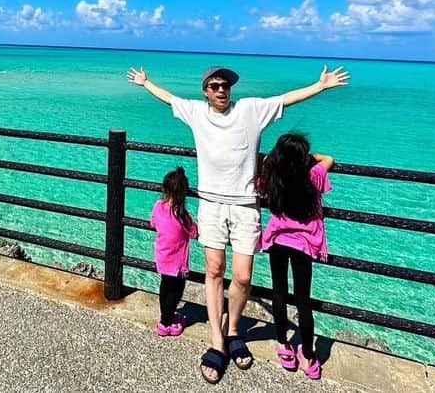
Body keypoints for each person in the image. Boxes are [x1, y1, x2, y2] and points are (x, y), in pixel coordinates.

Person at [127, 64, 349, 385]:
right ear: (205, 90)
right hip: (211, 203)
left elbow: (286, 100)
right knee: (215, 270)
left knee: (243, 276)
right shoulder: (196, 113)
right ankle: (217, 341)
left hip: (245, 206)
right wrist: (147, 83)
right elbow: (169, 99)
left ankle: (234, 332)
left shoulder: (250, 110)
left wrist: (320, 86)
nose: (221, 90)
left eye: (225, 85)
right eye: (215, 85)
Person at [256, 133, 334, 380]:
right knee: (303, 300)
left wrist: (274, 159)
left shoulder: (273, 176)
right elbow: (328, 159)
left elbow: (266, 164)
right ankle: (309, 356)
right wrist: (310, 158)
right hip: (304, 245)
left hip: (277, 241)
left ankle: (283, 345)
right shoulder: (313, 175)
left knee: (278, 293)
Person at [151, 166, 199, 337]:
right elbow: (194, 233)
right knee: (176, 290)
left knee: (165, 287)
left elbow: (153, 223)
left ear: (165, 189)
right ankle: (166, 323)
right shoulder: (183, 216)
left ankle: (165, 316)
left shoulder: (158, 206)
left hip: (162, 256)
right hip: (178, 262)